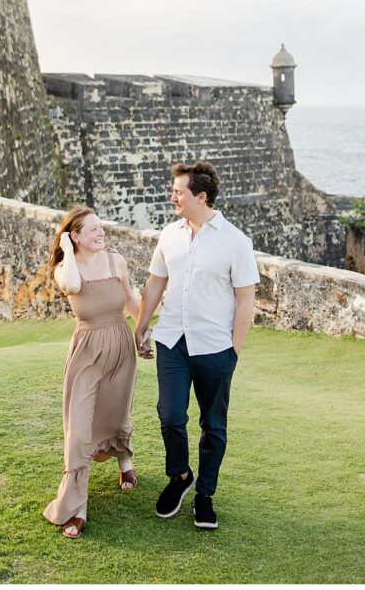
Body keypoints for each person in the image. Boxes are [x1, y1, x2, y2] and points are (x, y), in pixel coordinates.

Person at [135, 160, 259, 531]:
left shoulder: (235, 241)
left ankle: (205, 495)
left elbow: (246, 301)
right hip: (172, 340)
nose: (172, 196)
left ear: (200, 196)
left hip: (214, 347)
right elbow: (155, 284)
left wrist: (233, 352)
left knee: (213, 425)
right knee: (170, 415)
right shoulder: (169, 235)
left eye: (179, 191)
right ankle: (180, 477)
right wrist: (141, 327)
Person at [43, 205, 141, 539]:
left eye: (101, 228)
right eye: (93, 230)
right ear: (75, 237)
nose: (101, 234)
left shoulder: (116, 260)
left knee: (116, 413)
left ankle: (124, 462)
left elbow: (131, 300)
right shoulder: (64, 268)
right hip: (86, 351)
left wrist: (144, 331)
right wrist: (69, 252)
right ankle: (77, 507)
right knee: (80, 430)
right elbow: (71, 285)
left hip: (120, 345)